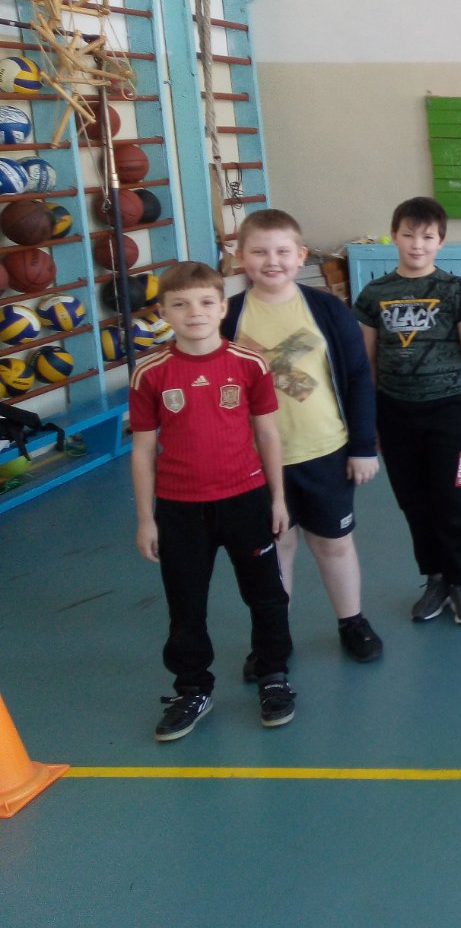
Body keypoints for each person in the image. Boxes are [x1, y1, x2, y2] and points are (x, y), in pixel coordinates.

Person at [130, 261, 295, 741]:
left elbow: (268, 434)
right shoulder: (150, 372)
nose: (194, 312)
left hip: (245, 499)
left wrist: (278, 498)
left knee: (266, 594)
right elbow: (142, 451)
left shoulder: (249, 363)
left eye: (206, 302)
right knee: (186, 603)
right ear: (164, 312)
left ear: (223, 307)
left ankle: (273, 675)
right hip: (180, 508)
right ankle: (192, 689)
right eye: (180, 304)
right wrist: (145, 519)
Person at [223, 208, 384, 674]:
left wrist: (363, 446)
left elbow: (358, 376)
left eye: (282, 251)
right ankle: (274, 637)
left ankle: (352, 622)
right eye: (259, 252)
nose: (271, 261)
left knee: (334, 543)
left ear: (300, 255)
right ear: (240, 257)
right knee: (277, 548)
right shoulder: (228, 315)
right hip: (256, 461)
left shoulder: (327, 310)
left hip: (324, 451)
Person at [354, 197, 461, 625]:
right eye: (409, 234)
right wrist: (370, 423)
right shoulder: (375, 294)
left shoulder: (453, 289)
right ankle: (436, 578)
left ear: (441, 242)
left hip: (448, 409)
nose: (417, 244)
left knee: (453, 498)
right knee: (414, 501)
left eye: (428, 237)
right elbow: (366, 364)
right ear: (393, 236)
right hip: (395, 412)